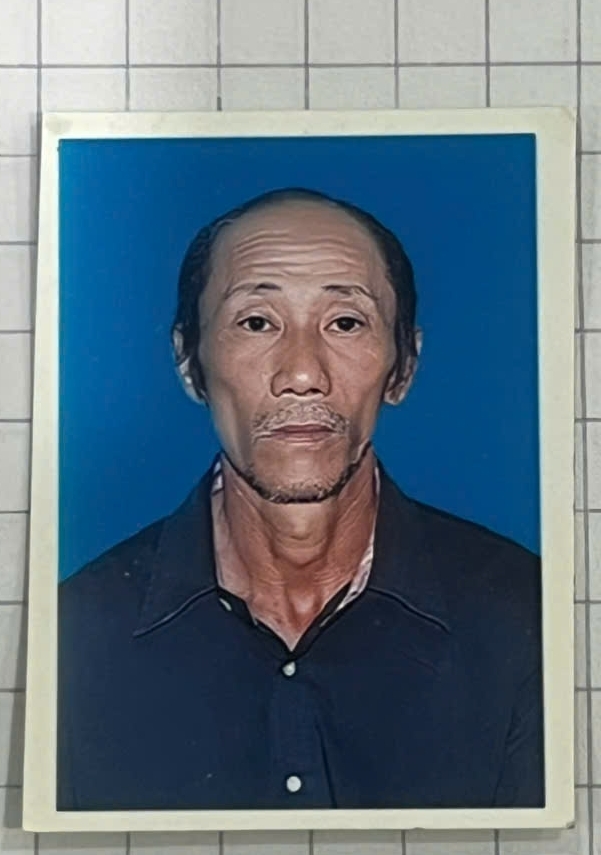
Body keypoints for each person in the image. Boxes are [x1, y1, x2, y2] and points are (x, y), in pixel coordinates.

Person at [57, 188, 544, 812]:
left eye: (346, 322)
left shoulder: (528, 620)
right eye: (257, 322)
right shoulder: (70, 638)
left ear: (404, 367)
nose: (303, 374)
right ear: (188, 363)